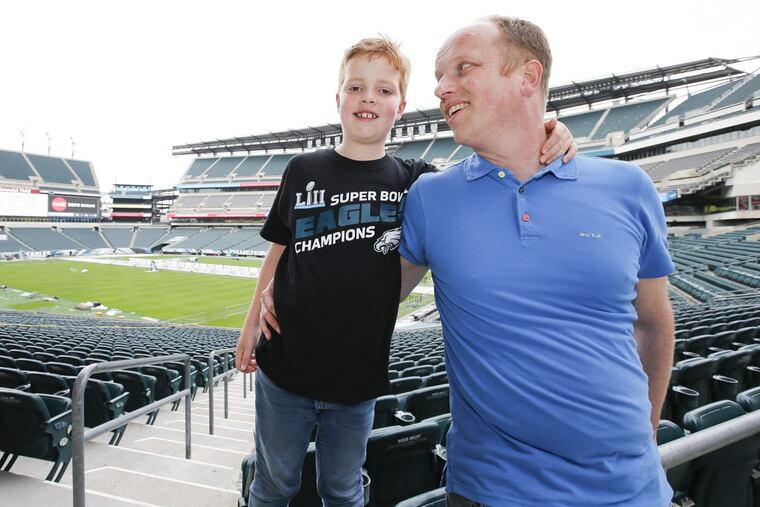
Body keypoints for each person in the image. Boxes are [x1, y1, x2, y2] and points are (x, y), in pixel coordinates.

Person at [235, 36, 575, 506]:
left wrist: (548, 128)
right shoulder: (302, 168)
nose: (368, 98)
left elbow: (492, 165)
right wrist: (251, 321)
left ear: (401, 106)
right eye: (355, 87)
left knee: (343, 487)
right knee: (274, 485)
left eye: (383, 90)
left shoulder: (415, 179)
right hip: (283, 369)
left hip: (356, 379)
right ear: (337, 98)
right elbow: (279, 247)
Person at [399, 16, 676, 506]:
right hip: (492, 492)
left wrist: (645, 435)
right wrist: (285, 284)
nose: (442, 88)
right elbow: (364, 303)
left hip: (631, 492)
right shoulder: (429, 197)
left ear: (528, 77)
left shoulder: (630, 188)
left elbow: (653, 324)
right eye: (439, 77)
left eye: (463, 68)